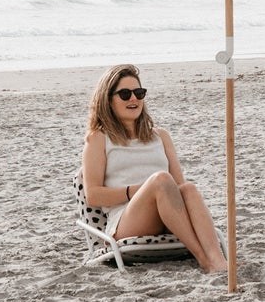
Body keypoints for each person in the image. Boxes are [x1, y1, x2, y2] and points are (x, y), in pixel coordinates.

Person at [81, 64, 227, 274]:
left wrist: (160, 187)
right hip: (127, 221)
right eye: (125, 94)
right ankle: (203, 258)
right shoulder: (98, 139)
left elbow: (178, 186)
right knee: (160, 180)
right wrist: (140, 190)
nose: (134, 99)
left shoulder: (160, 136)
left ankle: (218, 259)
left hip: (168, 216)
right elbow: (93, 196)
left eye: (139, 93)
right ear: (108, 99)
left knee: (189, 189)